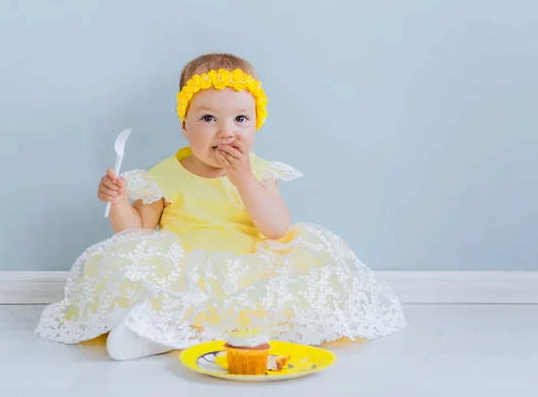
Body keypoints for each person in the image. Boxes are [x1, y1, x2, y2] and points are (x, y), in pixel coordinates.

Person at [34, 52, 407, 361]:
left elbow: (277, 228)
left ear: (257, 124)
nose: (226, 131)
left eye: (240, 119)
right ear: (185, 124)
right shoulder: (165, 174)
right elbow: (137, 237)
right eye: (209, 118)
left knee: (294, 289)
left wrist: (243, 178)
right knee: (141, 274)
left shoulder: (259, 172)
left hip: (248, 267)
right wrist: (117, 201)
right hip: (183, 270)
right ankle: (153, 331)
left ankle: (247, 336)